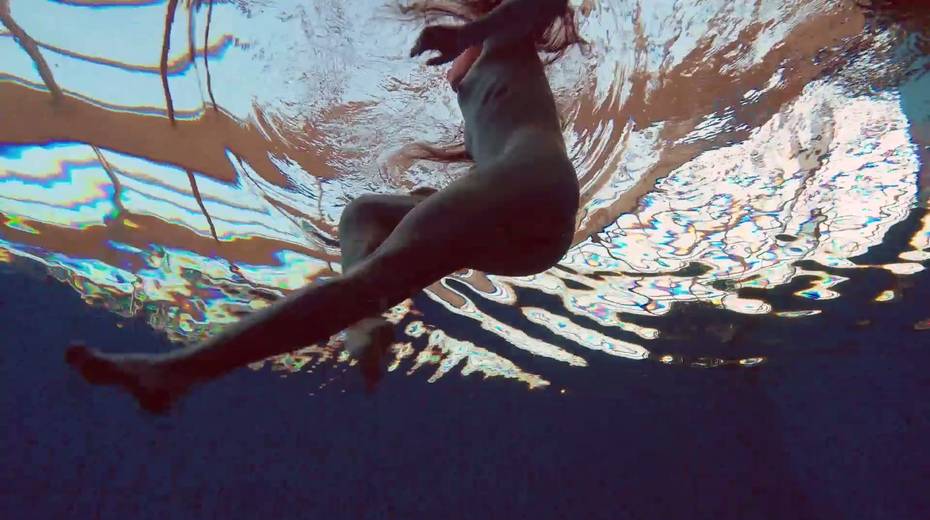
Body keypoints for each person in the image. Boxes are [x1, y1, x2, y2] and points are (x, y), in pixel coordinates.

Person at [66, 0, 584, 412]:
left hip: (531, 179)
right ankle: (363, 318)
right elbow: (493, 134)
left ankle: (176, 372)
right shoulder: (489, 53)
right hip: (526, 230)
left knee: (369, 281)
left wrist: (468, 33)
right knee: (364, 213)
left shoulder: (505, 33)